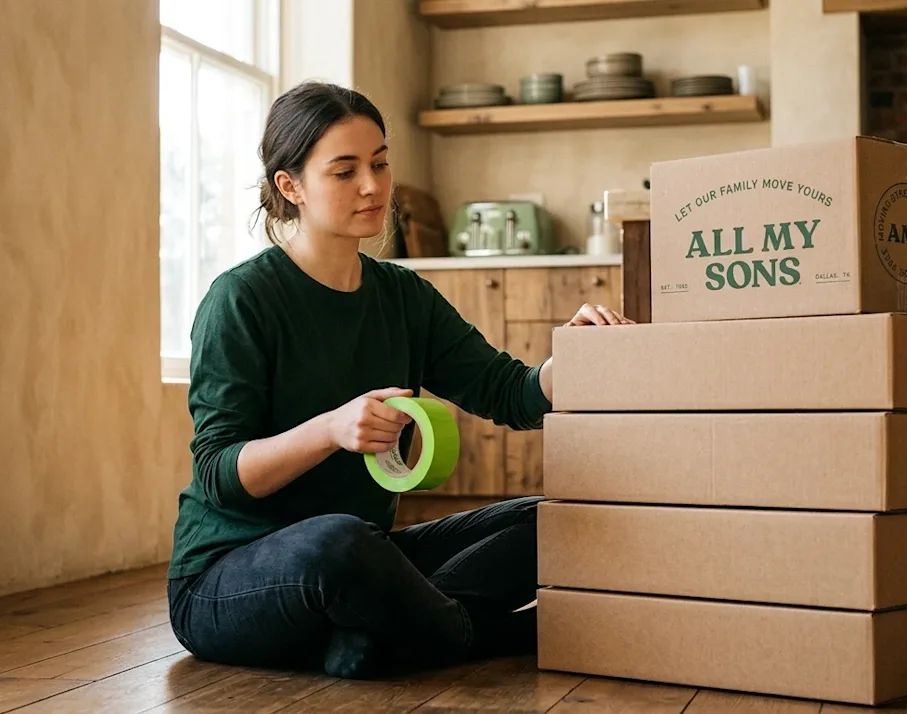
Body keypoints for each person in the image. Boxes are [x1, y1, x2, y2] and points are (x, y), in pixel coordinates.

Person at [165, 81, 632, 680]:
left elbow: (506, 393)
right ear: (291, 186)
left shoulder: (403, 295)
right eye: (345, 171)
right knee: (336, 543)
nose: (373, 186)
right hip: (227, 580)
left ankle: (379, 634)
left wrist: (570, 364)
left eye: (380, 163)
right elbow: (219, 476)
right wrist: (332, 429)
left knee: (556, 518)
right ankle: (482, 633)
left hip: (366, 556)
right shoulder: (241, 299)